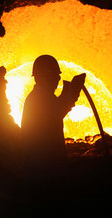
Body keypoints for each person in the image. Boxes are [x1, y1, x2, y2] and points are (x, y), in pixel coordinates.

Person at [20, 55, 85, 188]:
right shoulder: (39, 99)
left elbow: (56, 109)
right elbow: (56, 112)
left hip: (42, 170)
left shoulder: (40, 97)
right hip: (44, 173)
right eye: (55, 75)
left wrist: (70, 92)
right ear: (45, 77)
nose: (58, 78)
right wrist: (72, 93)